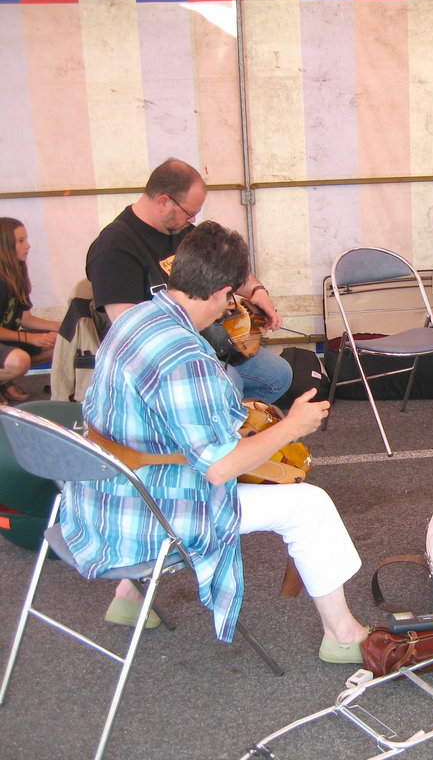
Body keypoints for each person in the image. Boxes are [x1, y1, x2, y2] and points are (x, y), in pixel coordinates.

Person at [61, 221, 366, 662]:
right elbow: (220, 468)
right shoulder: (185, 357)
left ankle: (129, 597)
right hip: (145, 514)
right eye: (230, 299)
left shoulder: (134, 318)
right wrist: (292, 427)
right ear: (223, 293)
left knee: (169, 452)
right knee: (310, 505)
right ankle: (343, 635)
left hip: (98, 495)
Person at [85, 158, 292, 403]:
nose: (192, 220)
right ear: (164, 201)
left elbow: (226, 265)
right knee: (229, 382)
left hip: (207, 340)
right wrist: (198, 356)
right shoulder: (114, 248)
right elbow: (130, 329)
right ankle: (213, 417)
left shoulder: (181, 230)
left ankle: (228, 416)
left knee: (279, 375)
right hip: (159, 358)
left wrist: (257, 290)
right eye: (189, 213)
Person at [0, 217, 60, 405]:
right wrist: (30, 338)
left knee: (60, 343)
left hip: (5, 340)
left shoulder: (15, 273)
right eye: (21, 241)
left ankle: (4, 381)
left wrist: (59, 326)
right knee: (19, 361)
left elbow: (25, 318)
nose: (28, 245)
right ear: (5, 246)